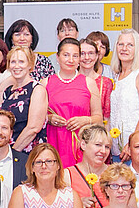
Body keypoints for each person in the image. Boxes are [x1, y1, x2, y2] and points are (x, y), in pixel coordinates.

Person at [44, 38, 103, 168]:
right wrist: (49, 118)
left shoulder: (89, 83)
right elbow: (36, 117)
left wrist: (85, 120)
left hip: (81, 144)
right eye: (66, 55)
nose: (70, 60)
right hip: (54, 141)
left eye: (75, 56)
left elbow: (99, 118)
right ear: (57, 57)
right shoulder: (46, 83)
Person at [109, 29, 139, 162]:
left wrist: (132, 143)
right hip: (117, 146)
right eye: (120, 44)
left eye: (130, 45)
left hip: (135, 147)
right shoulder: (116, 75)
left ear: (137, 49)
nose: (124, 49)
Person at [2, 47, 48, 153]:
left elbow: (33, 128)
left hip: (27, 152)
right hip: (7, 151)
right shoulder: (7, 91)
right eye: (13, 62)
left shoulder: (37, 89)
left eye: (21, 61)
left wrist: (13, 153)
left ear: (30, 65)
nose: (16, 66)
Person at [64, 125, 113, 208]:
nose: (103, 151)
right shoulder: (67, 175)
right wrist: (77, 204)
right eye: (98, 145)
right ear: (83, 145)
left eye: (107, 147)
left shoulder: (115, 173)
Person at [78, 38, 114, 121]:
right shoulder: (70, 81)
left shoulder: (105, 83)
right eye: (82, 53)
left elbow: (107, 117)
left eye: (91, 53)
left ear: (97, 56)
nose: (87, 57)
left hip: (97, 131)